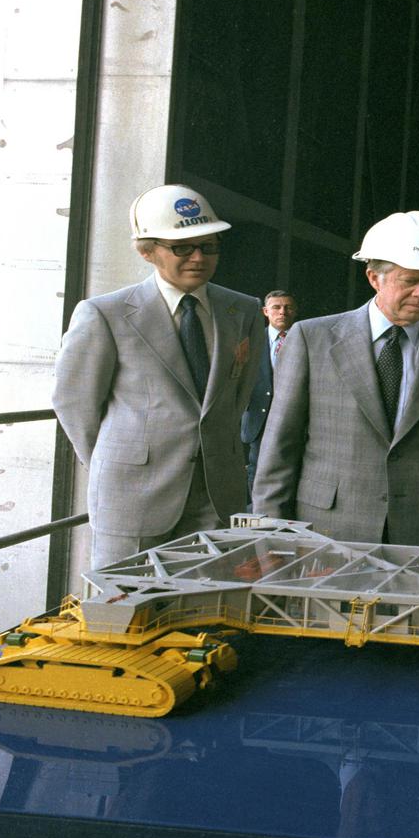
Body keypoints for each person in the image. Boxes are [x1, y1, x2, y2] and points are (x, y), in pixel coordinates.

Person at [251, 211, 419, 550]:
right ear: (374, 277)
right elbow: (279, 446)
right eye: (411, 280)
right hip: (326, 530)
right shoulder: (312, 339)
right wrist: (267, 532)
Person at [53, 185, 265, 569]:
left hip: (217, 496)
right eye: (182, 247)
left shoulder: (243, 310)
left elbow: (238, 393)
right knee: (125, 609)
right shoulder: (106, 314)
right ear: (146, 250)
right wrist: (118, 462)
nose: (198, 257)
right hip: (131, 498)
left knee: (208, 610)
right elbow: (74, 404)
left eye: (209, 246)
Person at [240, 290, 299, 502]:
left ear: (295, 311)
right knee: (256, 469)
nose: (282, 312)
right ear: (265, 311)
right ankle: (258, 515)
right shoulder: (251, 340)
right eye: (276, 307)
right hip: (259, 418)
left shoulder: (306, 340)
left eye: (288, 307)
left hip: (295, 419)